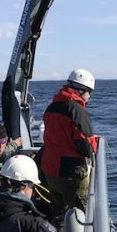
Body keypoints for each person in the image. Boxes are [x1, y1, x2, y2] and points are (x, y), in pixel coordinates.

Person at [41, 68, 98, 220]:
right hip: (71, 171)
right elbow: (85, 145)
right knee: (83, 214)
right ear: (82, 90)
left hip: (50, 168)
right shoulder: (76, 110)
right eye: (89, 92)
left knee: (58, 213)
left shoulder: (52, 107)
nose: (89, 96)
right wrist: (94, 147)